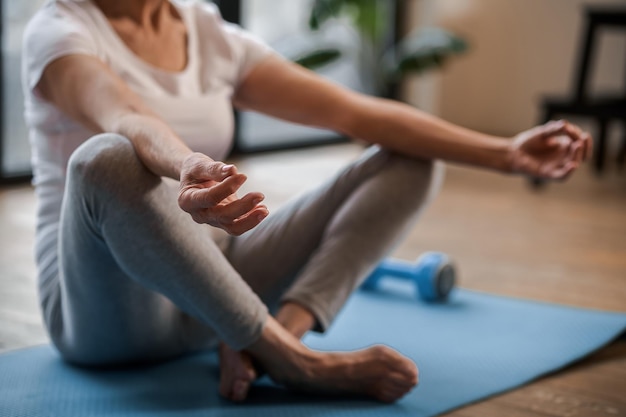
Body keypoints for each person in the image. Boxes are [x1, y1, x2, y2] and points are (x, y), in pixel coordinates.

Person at [22, 0, 591, 404]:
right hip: (108, 315)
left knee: (408, 154)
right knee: (108, 160)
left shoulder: (206, 31)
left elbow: (353, 112)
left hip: (218, 288)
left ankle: (276, 338)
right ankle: (297, 362)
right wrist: (187, 166)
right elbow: (126, 116)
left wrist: (506, 153)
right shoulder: (60, 29)